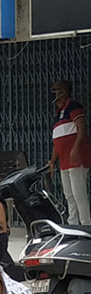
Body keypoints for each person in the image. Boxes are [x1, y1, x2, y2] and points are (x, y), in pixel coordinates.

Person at [48, 79, 91, 224]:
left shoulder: (73, 106)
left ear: (64, 91)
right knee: (69, 195)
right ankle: (73, 223)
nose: (53, 92)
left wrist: (76, 149)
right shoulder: (58, 113)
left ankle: (86, 225)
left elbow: (82, 129)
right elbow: (57, 139)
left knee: (79, 194)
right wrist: (52, 161)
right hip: (64, 161)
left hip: (76, 158)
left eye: (56, 89)